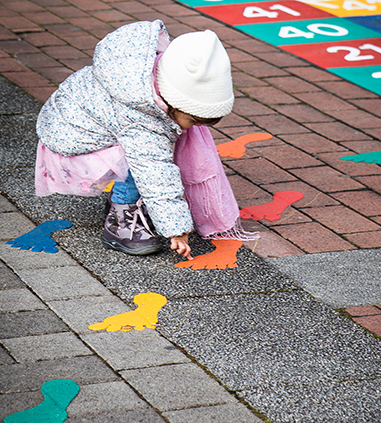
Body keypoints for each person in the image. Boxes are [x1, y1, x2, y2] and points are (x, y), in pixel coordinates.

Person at [35, 20, 243, 260]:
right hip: (72, 145)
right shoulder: (141, 117)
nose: (195, 128)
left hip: (70, 125)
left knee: (149, 148)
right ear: (176, 102)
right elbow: (154, 171)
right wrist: (177, 229)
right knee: (144, 157)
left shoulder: (147, 75)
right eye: (193, 120)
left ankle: (124, 201)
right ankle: (121, 221)